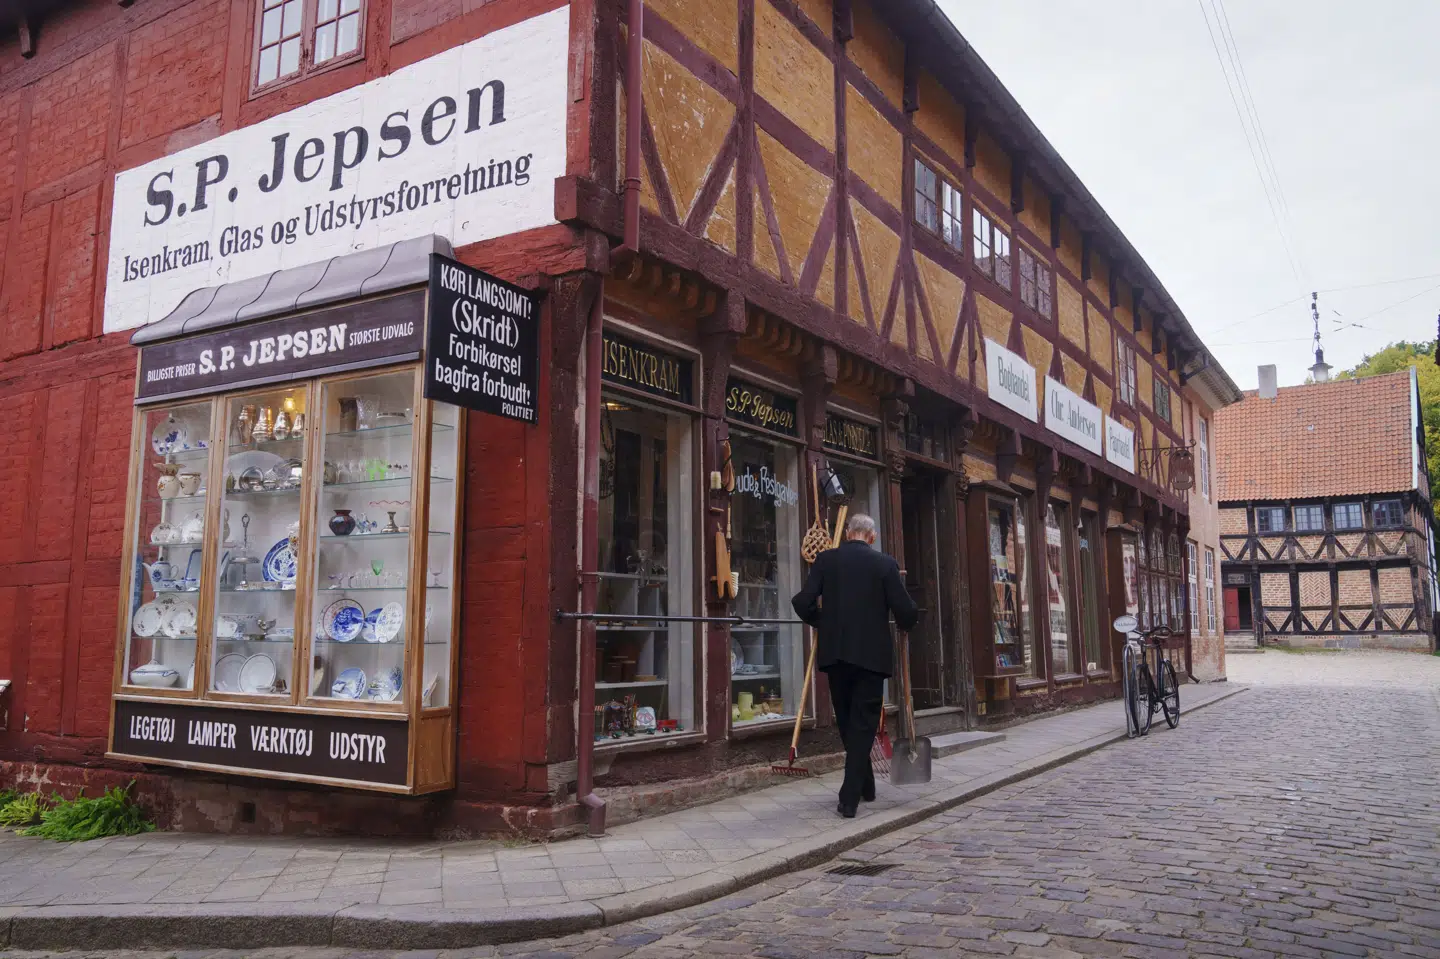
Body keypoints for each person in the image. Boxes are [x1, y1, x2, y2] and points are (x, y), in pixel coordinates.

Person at [791, 513, 919, 818]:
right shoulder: (885, 564)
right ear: (871, 537)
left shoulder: (825, 561)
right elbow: (906, 611)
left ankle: (866, 785)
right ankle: (849, 796)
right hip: (871, 657)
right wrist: (907, 620)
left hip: (836, 655)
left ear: (848, 533)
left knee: (849, 721)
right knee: (862, 723)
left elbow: (802, 602)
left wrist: (825, 622)